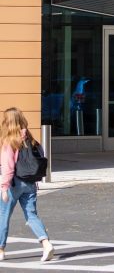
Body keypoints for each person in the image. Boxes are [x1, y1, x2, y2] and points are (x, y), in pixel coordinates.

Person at [0, 107, 54, 262]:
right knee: (31, 215)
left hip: (14, 183)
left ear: (8, 121)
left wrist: (4, 187)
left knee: (3, 216)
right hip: (30, 182)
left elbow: (8, 166)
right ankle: (46, 243)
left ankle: (1, 249)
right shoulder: (30, 138)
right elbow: (40, 157)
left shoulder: (9, 140)